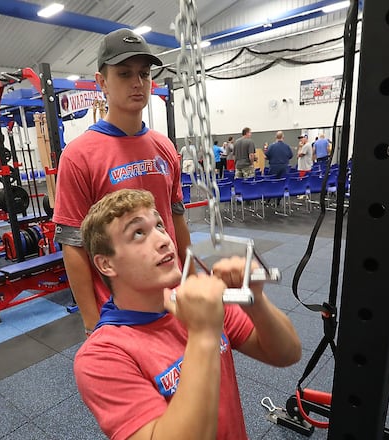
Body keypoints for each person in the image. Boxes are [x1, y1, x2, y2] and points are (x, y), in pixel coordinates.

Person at [74, 189, 301, 440]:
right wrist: (203, 333)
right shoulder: (102, 356)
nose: (163, 240)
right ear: (106, 264)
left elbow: (287, 354)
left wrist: (255, 301)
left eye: (159, 225)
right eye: (138, 233)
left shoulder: (196, 298)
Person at [54, 28, 192, 336]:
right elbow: (73, 245)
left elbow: (176, 219)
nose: (137, 82)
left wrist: (190, 277)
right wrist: (92, 322)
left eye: (144, 74)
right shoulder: (78, 155)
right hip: (121, 310)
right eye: (124, 73)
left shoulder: (165, 147)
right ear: (101, 82)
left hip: (171, 297)